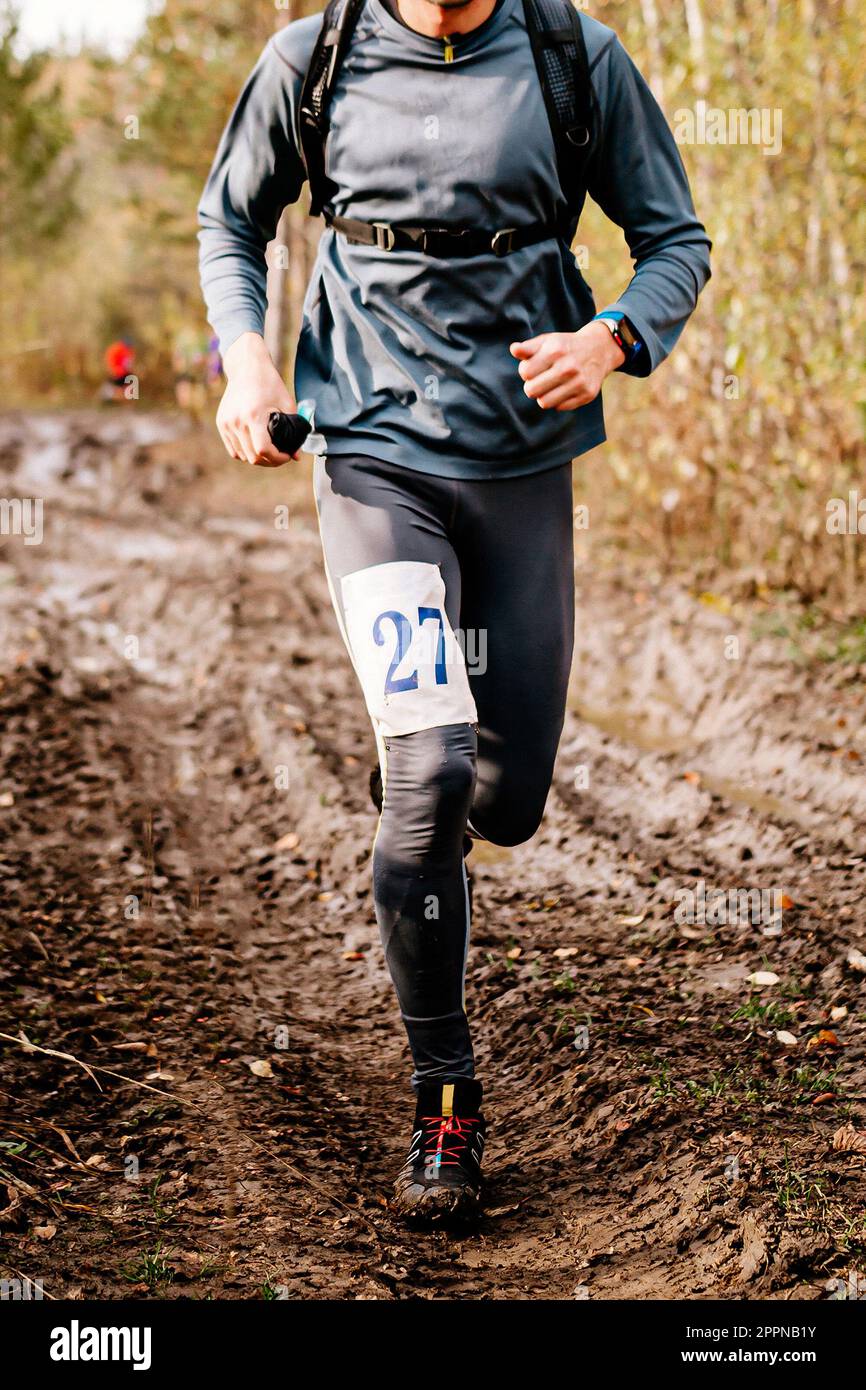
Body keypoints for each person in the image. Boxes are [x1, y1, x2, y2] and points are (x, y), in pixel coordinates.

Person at [198, 0, 710, 1224]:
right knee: (428, 768)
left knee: (508, 797)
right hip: (371, 455)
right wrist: (248, 355)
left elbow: (675, 239)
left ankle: (426, 785)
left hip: (522, 465)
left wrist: (613, 338)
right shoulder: (310, 59)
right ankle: (445, 1098)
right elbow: (232, 216)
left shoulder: (566, 54)